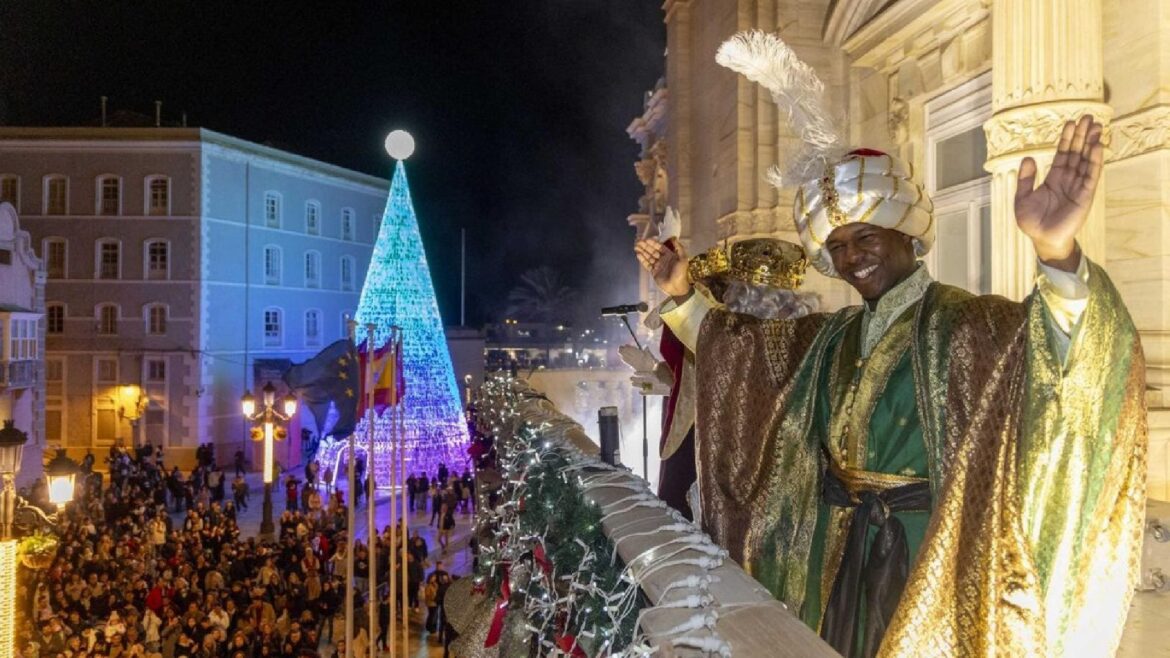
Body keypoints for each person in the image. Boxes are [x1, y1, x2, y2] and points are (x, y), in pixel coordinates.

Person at [635, 107, 1144, 656]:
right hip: (832, 549)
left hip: (928, 552)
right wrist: (681, 294)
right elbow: (745, 357)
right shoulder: (833, 335)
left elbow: (1069, 361)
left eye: (866, 237)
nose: (852, 257)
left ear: (906, 234)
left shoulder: (972, 324)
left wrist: (1057, 255)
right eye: (839, 246)